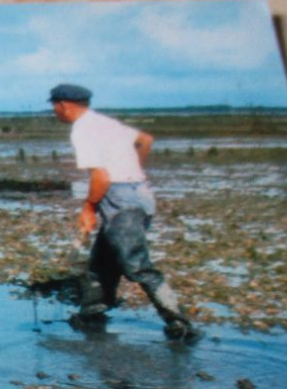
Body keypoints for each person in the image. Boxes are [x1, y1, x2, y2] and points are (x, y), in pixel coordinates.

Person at [49, 83, 198, 341]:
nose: (54, 112)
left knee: (135, 265)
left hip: (121, 201)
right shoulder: (105, 122)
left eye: (54, 107)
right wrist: (131, 170)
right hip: (137, 193)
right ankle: (92, 314)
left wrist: (89, 208)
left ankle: (179, 322)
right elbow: (145, 140)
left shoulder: (83, 130)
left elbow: (101, 176)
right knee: (101, 262)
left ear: (63, 105)